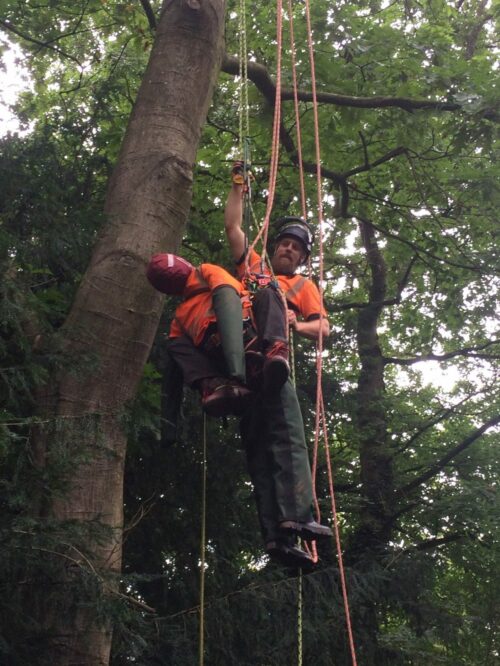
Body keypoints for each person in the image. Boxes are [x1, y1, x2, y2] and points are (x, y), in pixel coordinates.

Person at [222, 164, 333, 568]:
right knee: (272, 446)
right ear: (274, 247)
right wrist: (238, 186)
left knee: (276, 445)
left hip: (274, 364)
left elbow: (324, 327)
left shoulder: (303, 287)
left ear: (302, 257)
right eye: (283, 243)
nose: (287, 249)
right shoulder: (255, 269)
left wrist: (294, 322)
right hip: (244, 361)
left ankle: (288, 525)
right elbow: (234, 228)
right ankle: (286, 526)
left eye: (295, 248)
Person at [146, 254, 253, 417]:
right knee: (175, 344)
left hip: (243, 333)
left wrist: (236, 370)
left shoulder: (204, 272)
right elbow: (175, 366)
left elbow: (226, 296)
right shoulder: (180, 317)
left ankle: (223, 382)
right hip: (221, 356)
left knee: (176, 344)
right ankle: (215, 384)